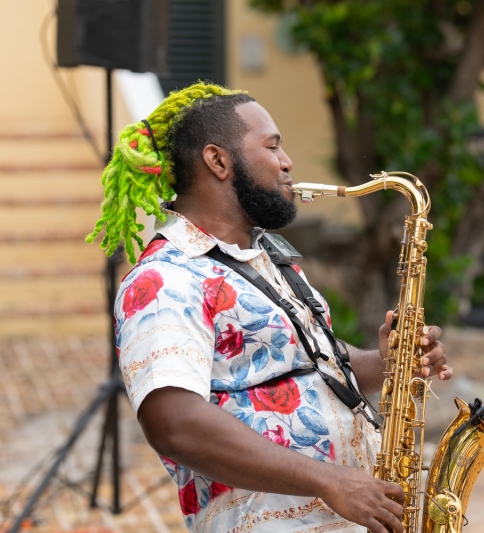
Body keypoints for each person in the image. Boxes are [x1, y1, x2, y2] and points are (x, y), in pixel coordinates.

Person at [87, 82, 452, 533]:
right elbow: (174, 423)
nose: (287, 162)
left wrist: (387, 363)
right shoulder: (164, 279)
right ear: (218, 161)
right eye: (273, 145)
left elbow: (315, 367)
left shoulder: (269, 260)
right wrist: (331, 481)